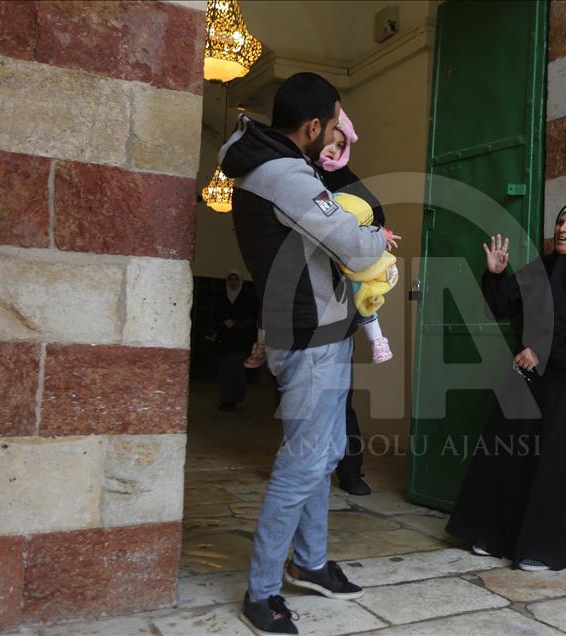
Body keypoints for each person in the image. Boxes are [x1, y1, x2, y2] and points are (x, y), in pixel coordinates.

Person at [218, 72, 386, 635]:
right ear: (313, 127)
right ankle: (262, 592)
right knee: (300, 467)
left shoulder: (267, 169)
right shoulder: (287, 178)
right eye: (334, 125)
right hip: (309, 340)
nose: (337, 134)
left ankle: (309, 563)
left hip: (316, 334)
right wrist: (372, 232)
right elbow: (358, 246)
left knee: (323, 452)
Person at [445, 202, 566, 572]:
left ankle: (543, 547)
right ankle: (494, 535)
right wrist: (495, 274)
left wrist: (543, 352)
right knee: (507, 455)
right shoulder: (541, 269)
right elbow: (501, 306)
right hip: (530, 379)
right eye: (560, 221)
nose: (563, 229)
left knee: (554, 466)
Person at [317, 110, 400, 496]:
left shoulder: (351, 183)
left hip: (343, 300)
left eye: (341, 144)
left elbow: (377, 222)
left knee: (340, 392)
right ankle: (310, 467)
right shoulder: (301, 177)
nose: (333, 150)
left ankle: (351, 470)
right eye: (330, 141)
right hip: (308, 297)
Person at [213, 270, 257, 411]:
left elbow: (252, 319)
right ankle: (227, 400)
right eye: (230, 279)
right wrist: (222, 324)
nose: (233, 282)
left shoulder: (247, 298)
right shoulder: (221, 297)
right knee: (224, 372)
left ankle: (234, 398)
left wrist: (237, 324)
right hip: (224, 342)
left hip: (240, 343)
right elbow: (215, 316)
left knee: (237, 372)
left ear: (240, 281)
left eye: (236, 279)